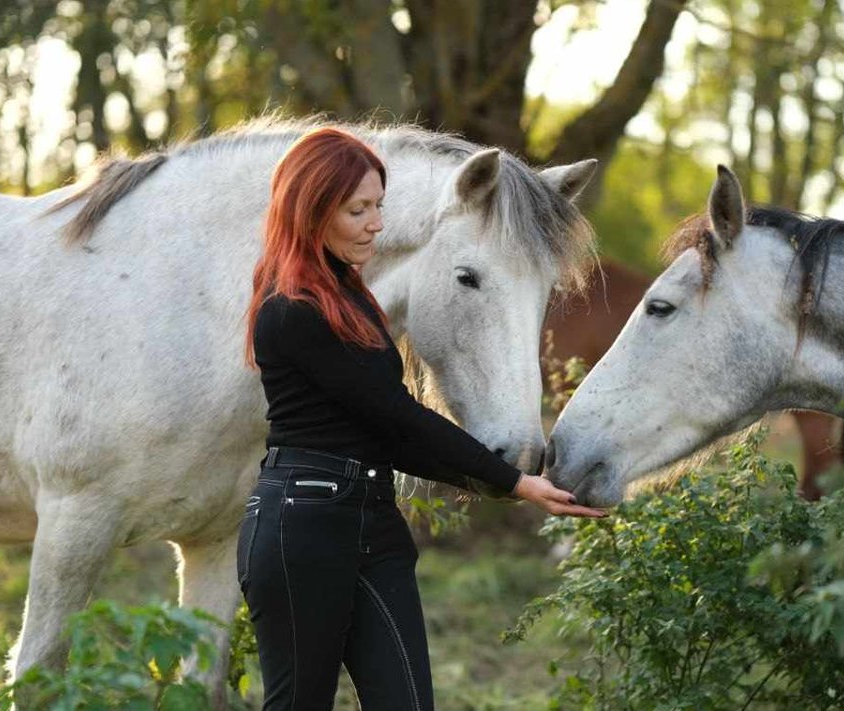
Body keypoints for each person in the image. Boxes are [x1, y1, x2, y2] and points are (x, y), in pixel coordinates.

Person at [237, 127, 603, 711]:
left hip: (373, 522)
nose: (376, 223)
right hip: (302, 527)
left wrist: (503, 479)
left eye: (378, 206)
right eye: (358, 210)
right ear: (311, 211)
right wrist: (510, 479)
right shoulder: (291, 312)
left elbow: (391, 440)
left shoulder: (353, 299)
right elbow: (396, 417)